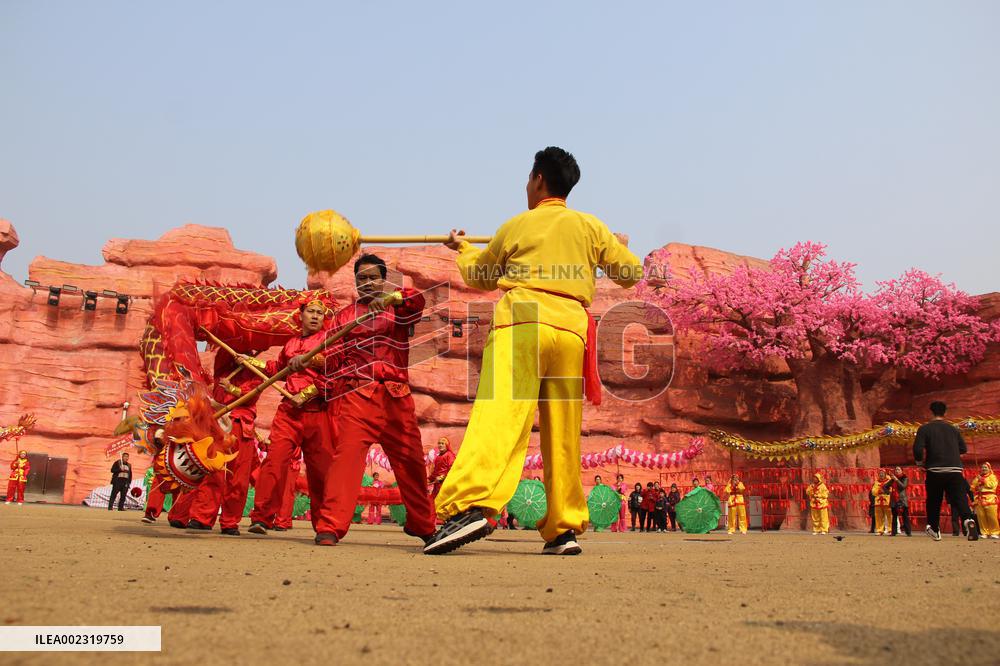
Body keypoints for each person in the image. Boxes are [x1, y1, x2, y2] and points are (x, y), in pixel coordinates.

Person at [425, 147, 642, 556]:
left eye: (529, 178)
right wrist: (606, 245)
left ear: (539, 179)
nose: (526, 185)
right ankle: (562, 529)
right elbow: (630, 274)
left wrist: (463, 248)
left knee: (501, 415)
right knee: (562, 433)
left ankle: (471, 506)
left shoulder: (518, 225)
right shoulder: (591, 227)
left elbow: (480, 275)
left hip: (524, 318)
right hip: (571, 328)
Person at [319, 254, 437, 545]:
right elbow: (327, 356)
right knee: (345, 460)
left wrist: (393, 299)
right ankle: (331, 526)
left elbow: (417, 301)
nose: (368, 283)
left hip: (397, 396)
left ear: (384, 280)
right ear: (356, 283)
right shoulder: (343, 317)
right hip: (358, 395)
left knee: (411, 462)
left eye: (373, 277)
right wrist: (302, 362)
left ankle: (423, 525)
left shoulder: (398, 310)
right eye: (362, 278)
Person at [246, 298, 340, 545]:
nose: (316, 316)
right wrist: (248, 362)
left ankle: (325, 526)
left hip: (317, 411)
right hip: (288, 412)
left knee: (321, 472)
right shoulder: (290, 344)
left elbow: (335, 373)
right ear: (301, 315)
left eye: (320, 313)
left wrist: (307, 390)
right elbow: (275, 369)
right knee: (274, 462)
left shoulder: (328, 342)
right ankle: (261, 518)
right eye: (311, 311)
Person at [913, 401, 978, 541]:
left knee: (934, 500)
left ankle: (935, 529)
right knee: (960, 498)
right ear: (945, 413)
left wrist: (920, 463)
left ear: (930, 412)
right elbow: (964, 449)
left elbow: (918, 449)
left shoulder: (925, 428)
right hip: (955, 470)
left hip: (935, 469)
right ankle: (968, 520)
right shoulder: (954, 429)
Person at [971, 462, 999, 539]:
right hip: (979, 499)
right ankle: (984, 532)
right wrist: (977, 485)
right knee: (981, 517)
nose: (984, 469)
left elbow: (992, 485)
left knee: (992, 516)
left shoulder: (992, 477)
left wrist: (983, 481)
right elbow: (972, 487)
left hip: (990, 499)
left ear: (989, 469)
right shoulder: (978, 477)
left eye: (985, 467)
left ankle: (994, 532)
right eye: (983, 467)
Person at [888, 466, 911, 537]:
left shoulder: (905, 478)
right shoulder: (892, 480)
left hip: (902, 500)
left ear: (902, 471)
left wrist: (896, 479)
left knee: (905, 516)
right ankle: (893, 532)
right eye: (896, 470)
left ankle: (908, 532)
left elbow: (903, 486)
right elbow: (885, 486)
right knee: (894, 517)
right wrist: (888, 492)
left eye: (898, 469)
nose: (897, 471)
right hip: (894, 500)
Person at [871, 469, 892, 536]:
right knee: (878, 516)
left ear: (885, 474)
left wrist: (884, 491)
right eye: (880, 473)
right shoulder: (876, 482)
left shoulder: (889, 481)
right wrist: (879, 491)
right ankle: (880, 530)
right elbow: (873, 491)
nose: (881, 474)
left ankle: (890, 530)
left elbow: (891, 490)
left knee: (889, 516)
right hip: (878, 501)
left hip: (887, 501)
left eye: (882, 473)